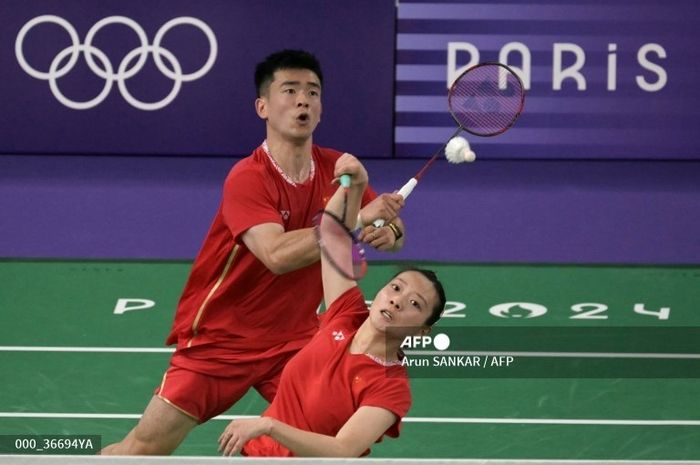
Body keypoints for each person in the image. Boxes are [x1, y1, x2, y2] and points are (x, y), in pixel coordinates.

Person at [102, 49, 406, 455]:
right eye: (290, 90)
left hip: (296, 341)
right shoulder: (247, 178)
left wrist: (388, 230)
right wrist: (355, 222)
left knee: (328, 437)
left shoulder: (338, 170)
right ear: (262, 106)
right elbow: (277, 255)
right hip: (221, 340)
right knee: (143, 450)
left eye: (312, 92)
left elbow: (388, 226)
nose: (303, 100)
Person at [218, 154, 446, 457]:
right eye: (395, 288)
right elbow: (332, 234)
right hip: (254, 456)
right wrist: (357, 186)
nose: (397, 300)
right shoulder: (347, 313)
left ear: (421, 331)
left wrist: (268, 426)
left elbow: (341, 451)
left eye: (414, 303)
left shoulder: (390, 389)